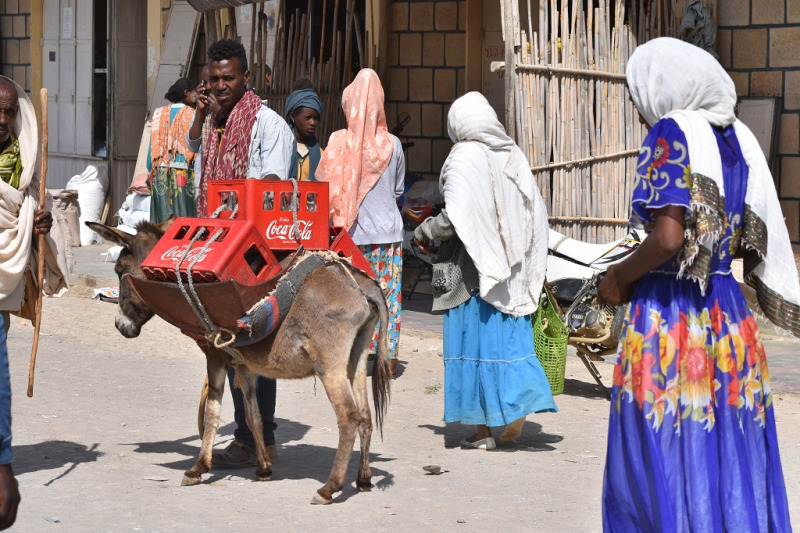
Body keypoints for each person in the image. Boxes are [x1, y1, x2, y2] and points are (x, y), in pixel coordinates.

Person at [597, 37, 798, 531]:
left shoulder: (673, 131)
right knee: (722, 443)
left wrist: (620, 276)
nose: (638, 111)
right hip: (727, 313)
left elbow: (668, 237)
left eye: (635, 96)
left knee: (656, 446)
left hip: (672, 311)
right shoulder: (735, 139)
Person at [413, 92, 557, 450]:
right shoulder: (514, 154)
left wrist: (422, 232)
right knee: (504, 343)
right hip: (509, 270)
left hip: (471, 272)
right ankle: (511, 409)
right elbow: (535, 212)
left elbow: (454, 219)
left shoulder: (463, 157)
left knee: (472, 344)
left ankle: (482, 433)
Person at [187, 39, 293, 468]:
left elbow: (270, 187)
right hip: (217, 251)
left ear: (246, 78)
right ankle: (248, 434)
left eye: (228, 78)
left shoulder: (269, 125)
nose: (220, 86)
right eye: (213, 79)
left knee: (253, 345)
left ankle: (257, 436)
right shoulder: (211, 129)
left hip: (256, 254)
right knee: (228, 344)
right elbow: (193, 153)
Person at [0, 76, 69, 530]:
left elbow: (29, 203)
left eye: (9, 111)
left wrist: (37, 219)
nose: (3, 119)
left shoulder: (22, 159)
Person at [315, 68, 405, 375]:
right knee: (387, 296)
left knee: (351, 296)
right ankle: (388, 359)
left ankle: (351, 353)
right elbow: (398, 190)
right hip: (389, 235)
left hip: (350, 236)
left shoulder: (338, 142)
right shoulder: (394, 144)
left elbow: (324, 186)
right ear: (380, 103)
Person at [147, 77, 198, 223]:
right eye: (194, 90)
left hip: (160, 172)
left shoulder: (158, 113)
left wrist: (150, 170)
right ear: (186, 93)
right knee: (184, 217)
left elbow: (152, 147)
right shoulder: (193, 114)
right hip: (185, 171)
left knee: (162, 219)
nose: (197, 94)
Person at [284, 82, 323, 181]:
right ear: (293, 117)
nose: (313, 123)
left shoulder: (321, 155)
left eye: (315, 118)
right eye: (308, 118)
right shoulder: (282, 148)